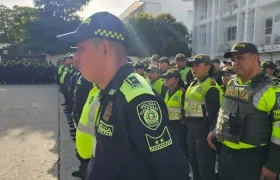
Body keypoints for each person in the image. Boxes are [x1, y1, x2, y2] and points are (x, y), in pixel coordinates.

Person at [57, 11, 191, 180]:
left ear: (105, 49)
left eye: (80, 48)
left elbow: (173, 170)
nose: (75, 57)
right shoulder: (110, 89)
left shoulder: (137, 98)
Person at [207, 42, 280, 180]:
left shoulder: (273, 87)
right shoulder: (232, 82)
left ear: (254, 58)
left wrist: (273, 165)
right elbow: (224, 110)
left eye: (240, 58)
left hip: (252, 159)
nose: (235, 63)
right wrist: (214, 130)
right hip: (225, 155)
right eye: (233, 59)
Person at [184, 54, 223, 180]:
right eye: (192, 66)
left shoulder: (210, 86)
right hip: (191, 129)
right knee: (194, 164)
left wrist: (212, 132)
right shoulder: (193, 83)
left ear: (207, 66)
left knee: (205, 167)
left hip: (203, 130)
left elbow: (214, 113)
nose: (193, 68)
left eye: (197, 65)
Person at [161, 69, 188, 158]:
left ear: (176, 79)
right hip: (169, 125)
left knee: (182, 149)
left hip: (180, 126)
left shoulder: (182, 93)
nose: (166, 80)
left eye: (168, 78)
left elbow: (186, 111)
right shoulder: (168, 92)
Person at [74, 85, 100, 179]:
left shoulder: (108, 95)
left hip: (93, 148)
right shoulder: (94, 90)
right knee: (84, 165)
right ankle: (82, 171)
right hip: (83, 142)